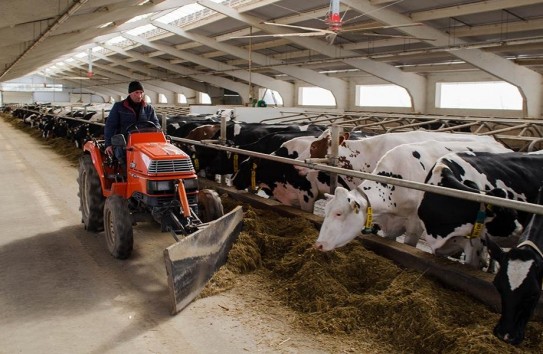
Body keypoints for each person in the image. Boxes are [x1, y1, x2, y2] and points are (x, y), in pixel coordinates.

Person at [104, 81, 160, 164]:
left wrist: (158, 135)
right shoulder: (119, 107)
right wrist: (108, 144)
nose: (139, 95)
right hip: (123, 141)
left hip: (144, 142)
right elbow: (110, 126)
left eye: (141, 93)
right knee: (122, 155)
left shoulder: (148, 108)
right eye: (136, 92)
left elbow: (156, 125)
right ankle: (125, 174)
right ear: (130, 93)